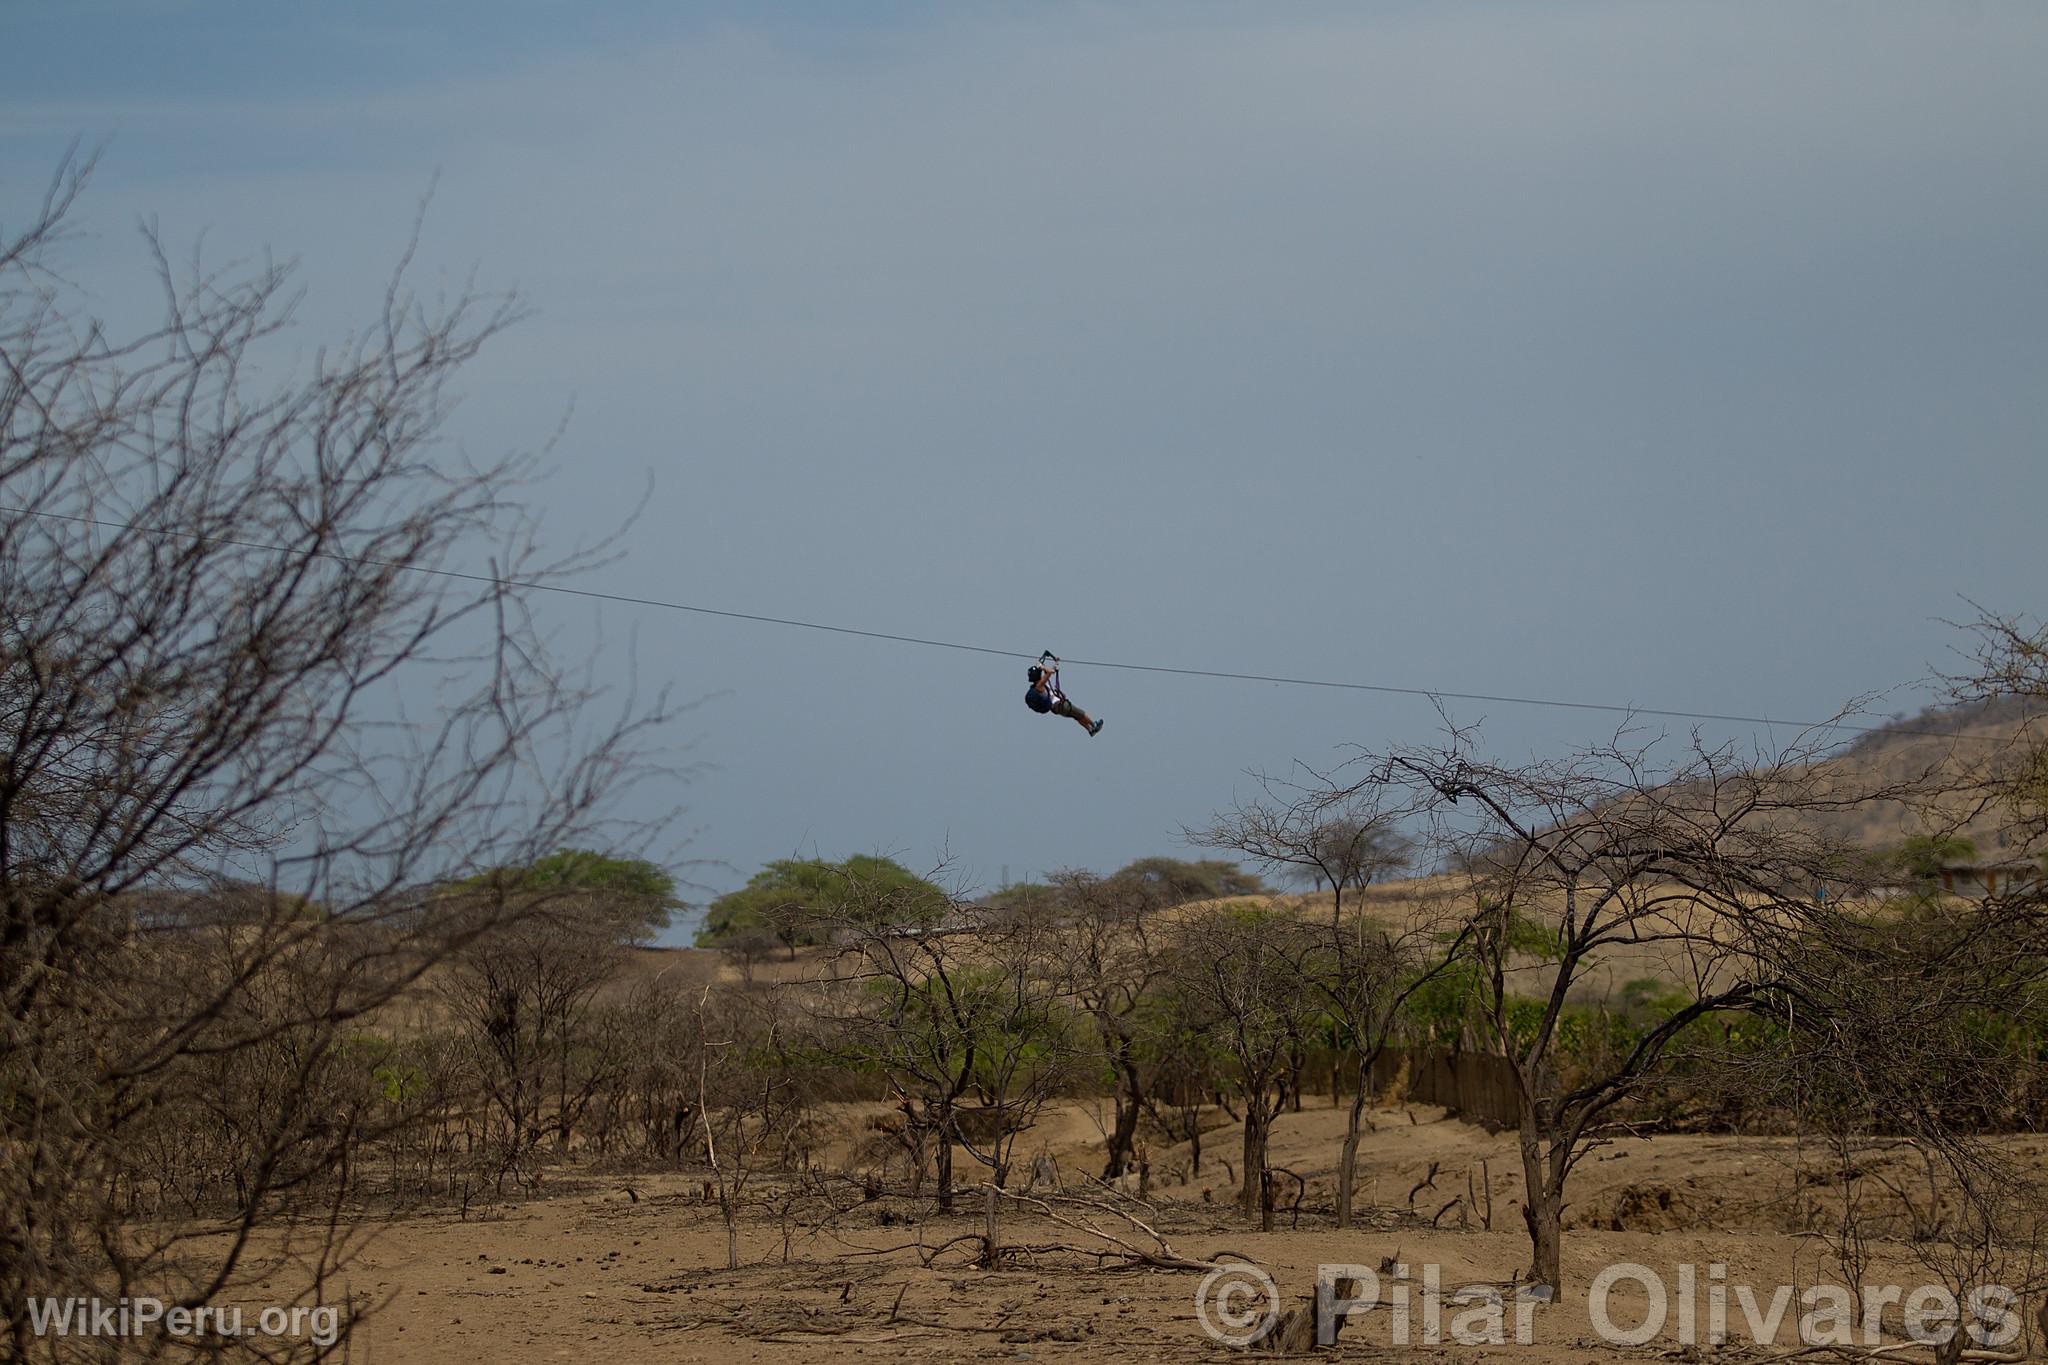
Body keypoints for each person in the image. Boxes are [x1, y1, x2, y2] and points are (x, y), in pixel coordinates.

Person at [1024, 652, 1104, 736]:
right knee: (1081, 713)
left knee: (1077, 716)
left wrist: (1054, 663)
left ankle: (1090, 729)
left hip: (1057, 708)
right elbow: (1050, 672)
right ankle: (1093, 725)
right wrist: (1041, 666)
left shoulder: (1040, 684)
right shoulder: (1039, 686)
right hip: (1059, 705)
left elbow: (1048, 672)